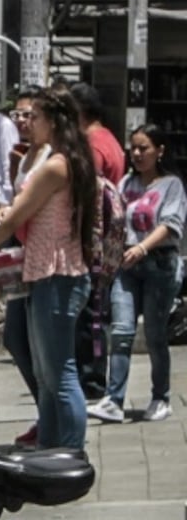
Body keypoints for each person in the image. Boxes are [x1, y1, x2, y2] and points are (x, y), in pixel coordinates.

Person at [0, 87, 97, 450]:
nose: (30, 124)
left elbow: (12, 220)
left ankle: (71, 451)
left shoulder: (57, 165)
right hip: (45, 271)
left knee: (58, 374)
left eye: (37, 117)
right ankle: (50, 445)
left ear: (54, 121)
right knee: (47, 374)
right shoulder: (60, 159)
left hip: (58, 273)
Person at [87, 124, 187, 423]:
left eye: (145, 148)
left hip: (159, 264)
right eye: (134, 147)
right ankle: (114, 399)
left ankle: (161, 397)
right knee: (121, 331)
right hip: (125, 266)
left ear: (160, 151)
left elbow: (171, 225)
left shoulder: (172, 185)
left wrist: (142, 248)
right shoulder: (126, 182)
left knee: (156, 335)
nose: (138, 154)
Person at [70, 82, 126, 403]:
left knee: (90, 316)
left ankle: (91, 381)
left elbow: (85, 196)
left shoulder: (92, 145)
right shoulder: (110, 140)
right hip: (107, 240)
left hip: (94, 240)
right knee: (96, 312)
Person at [4, 87, 52, 446]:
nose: (22, 122)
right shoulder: (24, 156)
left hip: (47, 261)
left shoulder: (52, 157)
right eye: (18, 115)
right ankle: (45, 414)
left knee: (44, 351)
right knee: (15, 338)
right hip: (21, 257)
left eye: (29, 115)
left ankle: (54, 426)